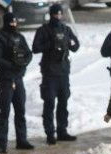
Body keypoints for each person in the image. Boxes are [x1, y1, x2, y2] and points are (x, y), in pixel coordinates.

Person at [32, 4, 79, 145]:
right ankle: (50, 133)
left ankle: (62, 131)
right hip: (49, 73)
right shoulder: (43, 30)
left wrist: (68, 42)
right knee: (50, 103)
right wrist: (50, 44)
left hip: (63, 72)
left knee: (63, 102)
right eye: (55, 15)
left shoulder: (66, 29)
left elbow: (76, 46)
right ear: (51, 15)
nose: (57, 17)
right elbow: (35, 48)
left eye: (59, 15)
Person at [0, 10, 34, 153]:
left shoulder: (20, 37)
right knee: (5, 112)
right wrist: (12, 65)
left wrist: (23, 63)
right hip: (5, 80)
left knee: (20, 110)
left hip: (18, 78)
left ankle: (22, 140)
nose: (14, 24)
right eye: (11, 22)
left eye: (15, 22)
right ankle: (2, 144)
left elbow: (28, 53)